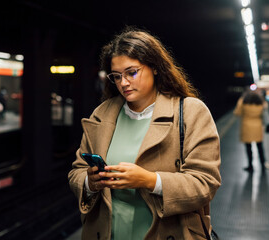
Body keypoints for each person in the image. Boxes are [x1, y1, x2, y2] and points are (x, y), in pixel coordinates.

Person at [68, 27, 221, 240]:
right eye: (116, 76)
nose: (123, 83)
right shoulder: (103, 114)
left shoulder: (191, 112)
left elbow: (205, 182)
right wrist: (89, 182)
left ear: (155, 68)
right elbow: (77, 171)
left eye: (132, 72)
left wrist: (150, 180)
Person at [234, 88, 267, 171]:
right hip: (258, 127)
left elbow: (237, 113)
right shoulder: (260, 102)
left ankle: (250, 166)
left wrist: (241, 101)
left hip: (247, 127)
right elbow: (265, 109)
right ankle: (263, 164)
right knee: (260, 146)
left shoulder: (243, 101)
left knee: (248, 148)